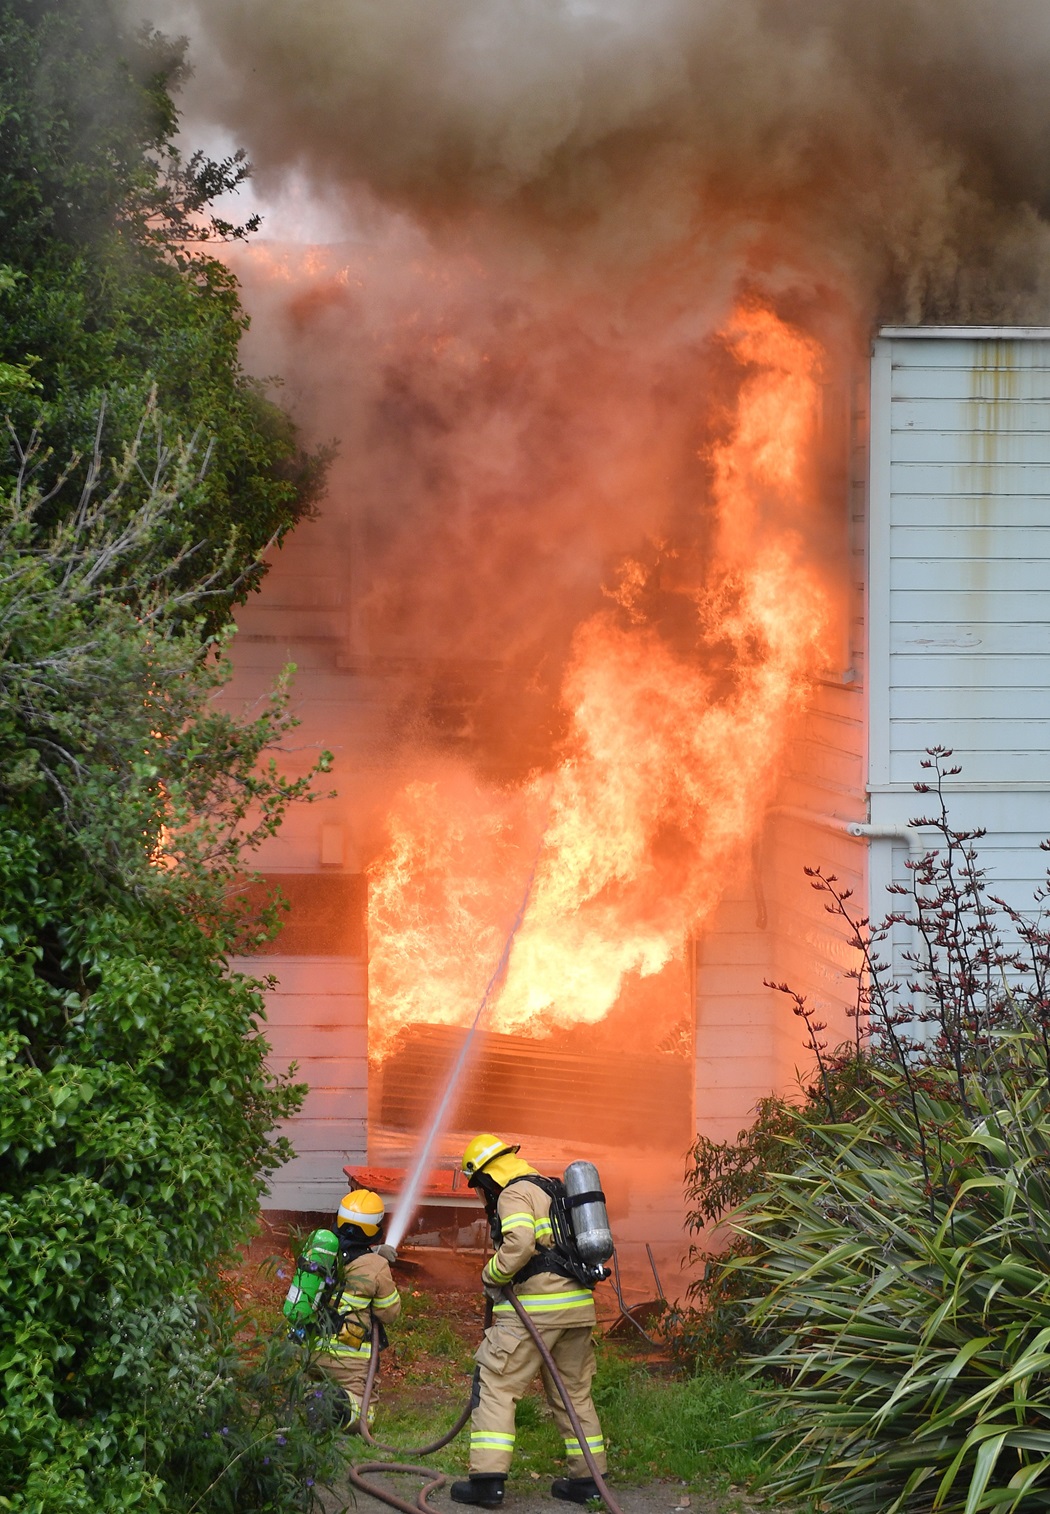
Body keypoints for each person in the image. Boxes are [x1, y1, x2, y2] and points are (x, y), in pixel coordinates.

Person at [450, 1135, 608, 1509]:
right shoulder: (553, 1190)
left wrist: (491, 1274)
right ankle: (589, 1480)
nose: (482, 1194)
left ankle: (487, 1482)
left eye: (478, 1186)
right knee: (574, 1394)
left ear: (487, 1176)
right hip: (578, 1309)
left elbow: (519, 1244)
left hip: (536, 1311)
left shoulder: (513, 1194)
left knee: (498, 1384)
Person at [282, 1188, 401, 1430]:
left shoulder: (322, 1252)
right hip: (349, 1362)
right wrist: (380, 1262)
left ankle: (309, 1396)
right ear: (376, 1229)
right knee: (363, 1413)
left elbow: (347, 1254)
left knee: (313, 1383)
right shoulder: (376, 1267)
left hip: (311, 1351)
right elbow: (389, 1313)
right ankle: (331, 1408)